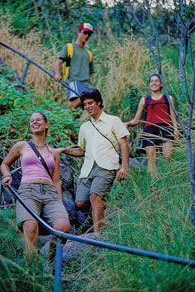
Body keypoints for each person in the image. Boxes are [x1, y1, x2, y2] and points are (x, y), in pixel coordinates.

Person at [1, 111, 70, 262]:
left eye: (38, 120)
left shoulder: (54, 152)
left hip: (50, 192)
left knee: (63, 227)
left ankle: (49, 260)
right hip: (28, 191)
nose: (34, 122)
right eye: (32, 120)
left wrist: (60, 203)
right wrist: (7, 175)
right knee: (31, 229)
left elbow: (56, 180)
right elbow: (5, 164)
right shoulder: (22, 146)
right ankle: (32, 273)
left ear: (46, 124)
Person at [59, 88, 130, 233]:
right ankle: (99, 213)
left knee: (95, 195)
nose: (88, 107)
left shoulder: (113, 121)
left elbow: (123, 144)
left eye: (90, 103)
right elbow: (81, 151)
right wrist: (63, 150)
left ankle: (98, 235)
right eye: (85, 105)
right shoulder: (85, 127)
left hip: (106, 167)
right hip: (87, 170)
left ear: (99, 102)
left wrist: (124, 167)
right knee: (79, 203)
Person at [124, 73, 179, 177]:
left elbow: (173, 116)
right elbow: (136, 120)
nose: (154, 83)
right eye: (152, 81)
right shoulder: (144, 100)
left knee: (168, 155)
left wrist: (175, 130)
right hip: (149, 130)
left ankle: (171, 179)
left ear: (161, 84)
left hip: (166, 128)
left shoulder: (168, 98)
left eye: (156, 81)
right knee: (151, 157)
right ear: (149, 84)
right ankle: (154, 184)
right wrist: (127, 123)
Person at [54, 22, 95, 110]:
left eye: (89, 34)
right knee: (82, 98)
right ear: (78, 32)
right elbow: (59, 62)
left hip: (87, 84)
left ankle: (79, 123)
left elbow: (90, 74)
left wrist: (92, 87)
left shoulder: (89, 54)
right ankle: (65, 118)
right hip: (75, 81)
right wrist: (57, 74)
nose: (87, 36)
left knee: (94, 106)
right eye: (84, 33)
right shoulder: (69, 47)